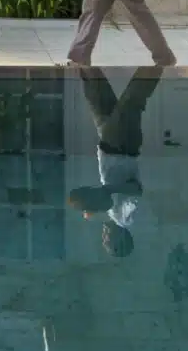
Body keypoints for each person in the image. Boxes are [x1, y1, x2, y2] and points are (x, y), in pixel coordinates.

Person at [67, 66, 163, 258]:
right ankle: (158, 62)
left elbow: (112, 198)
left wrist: (95, 205)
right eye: (106, 242)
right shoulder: (125, 219)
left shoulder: (115, 215)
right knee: (132, 102)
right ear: (118, 241)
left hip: (108, 142)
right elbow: (136, 190)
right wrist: (105, 192)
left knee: (96, 95)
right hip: (121, 145)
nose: (103, 237)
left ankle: (83, 60)